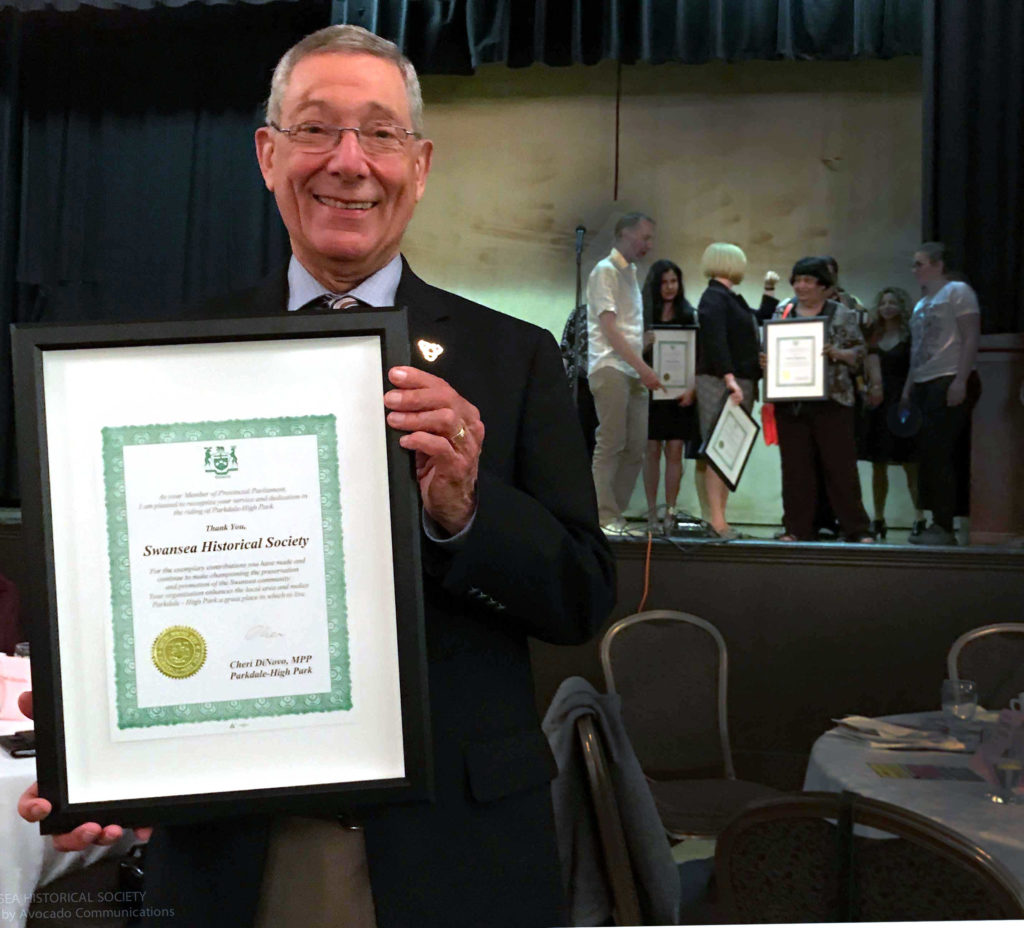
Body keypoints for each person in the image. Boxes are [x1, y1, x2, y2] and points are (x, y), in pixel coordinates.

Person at [17, 26, 615, 928]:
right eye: (315, 129)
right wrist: (101, 752)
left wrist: (465, 511)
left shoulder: (515, 357)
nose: (349, 161)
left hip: (458, 849)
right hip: (236, 850)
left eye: (379, 133)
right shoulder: (159, 360)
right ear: (267, 154)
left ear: (419, 164)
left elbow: (579, 599)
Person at [768, 257, 873, 543]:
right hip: (791, 402)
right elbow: (768, 346)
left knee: (840, 468)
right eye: (797, 280)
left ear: (823, 286)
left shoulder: (840, 313)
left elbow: (859, 354)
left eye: (808, 280)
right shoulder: (783, 310)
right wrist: (767, 360)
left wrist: (837, 353)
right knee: (795, 469)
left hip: (834, 401)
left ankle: (857, 528)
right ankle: (797, 529)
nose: (801, 286)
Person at [901, 242, 981, 546]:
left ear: (938, 265)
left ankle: (945, 524)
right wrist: (908, 388)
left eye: (919, 263)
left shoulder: (957, 291)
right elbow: (917, 350)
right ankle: (937, 521)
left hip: (947, 378)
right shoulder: (922, 303)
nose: (914, 269)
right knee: (928, 455)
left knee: (943, 452)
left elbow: (971, 335)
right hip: (923, 382)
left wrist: (961, 379)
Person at [586, 213, 661, 534]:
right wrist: (644, 367)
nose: (648, 244)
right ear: (624, 234)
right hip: (610, 367)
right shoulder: (605, 271)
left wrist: (645, 344)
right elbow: (608, 328)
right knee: (612, 442)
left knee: (635, 447)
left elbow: (624, 330)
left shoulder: (632, 273)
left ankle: (614, 514)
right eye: (644, 237)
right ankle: (601, 516)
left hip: (630, 368)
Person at [694, 243, 773, 539]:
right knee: (720, 449)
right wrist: (729, 379)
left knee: (730, 451)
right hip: (723, 381)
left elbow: (758, 318)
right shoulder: (714, 298)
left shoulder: (728, 298)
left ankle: (719, 519)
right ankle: (717, 521)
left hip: (739, 380)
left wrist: (768, 289)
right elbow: (715, 340)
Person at [858, 287, 925, 539]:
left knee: (910, 463)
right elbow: (864, 366)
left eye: (893, 302)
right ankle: (878, 518)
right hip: (878, 401)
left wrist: (907, 395)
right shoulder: (873, 335)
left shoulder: (910, 335)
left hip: (903, 400)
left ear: (901, 306)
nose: (887, 307)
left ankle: (919, 517)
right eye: (883, 302)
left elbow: (915, 367)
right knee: (878, 464)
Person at [640, 259, 697, 535]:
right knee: (651, 451)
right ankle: (652, 513)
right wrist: (643, 343)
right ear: (655, 284)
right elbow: (628, 355)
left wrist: (692, 388)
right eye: (664, 282)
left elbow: (699, 357)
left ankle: (670, 512)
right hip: (651, 392)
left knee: (675, 451)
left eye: (674, 281)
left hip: (680, 395)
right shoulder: (642, 316)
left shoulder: (689, 315)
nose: (670, 287)